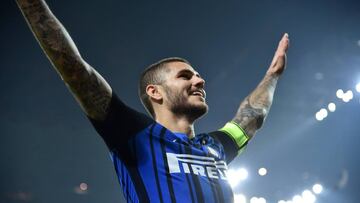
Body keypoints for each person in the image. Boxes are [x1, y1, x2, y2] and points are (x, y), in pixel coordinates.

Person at [16, 0, 289, 202]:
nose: (199, 81)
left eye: (198, 76)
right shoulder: (134, 137)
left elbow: (253, 117)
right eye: (185, 76)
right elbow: (76, 70)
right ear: (155, 92)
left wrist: (273, 76)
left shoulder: (214, 146)